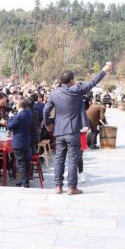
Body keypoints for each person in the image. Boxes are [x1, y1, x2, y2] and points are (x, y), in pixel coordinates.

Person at [43, 61, 112, 195]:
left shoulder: (54, 93)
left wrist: (48, 124)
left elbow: (46, 111)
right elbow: (93, 83)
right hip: (73, 130)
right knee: (73, 159)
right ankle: (71, 187)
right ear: (71, 80)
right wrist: (104, 70)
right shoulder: (77, 90)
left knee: (59, 159)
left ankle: (57, 186)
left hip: (59, 130)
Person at [8, 99, 33, 187]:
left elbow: (10, 126)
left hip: (19, 142)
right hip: (26, 141)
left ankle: (25, 183)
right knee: (25, 162)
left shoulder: (19, 116)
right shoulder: (29, 112)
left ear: (19, 105)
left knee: (21, 163)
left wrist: (10, 117)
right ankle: (24, 180)